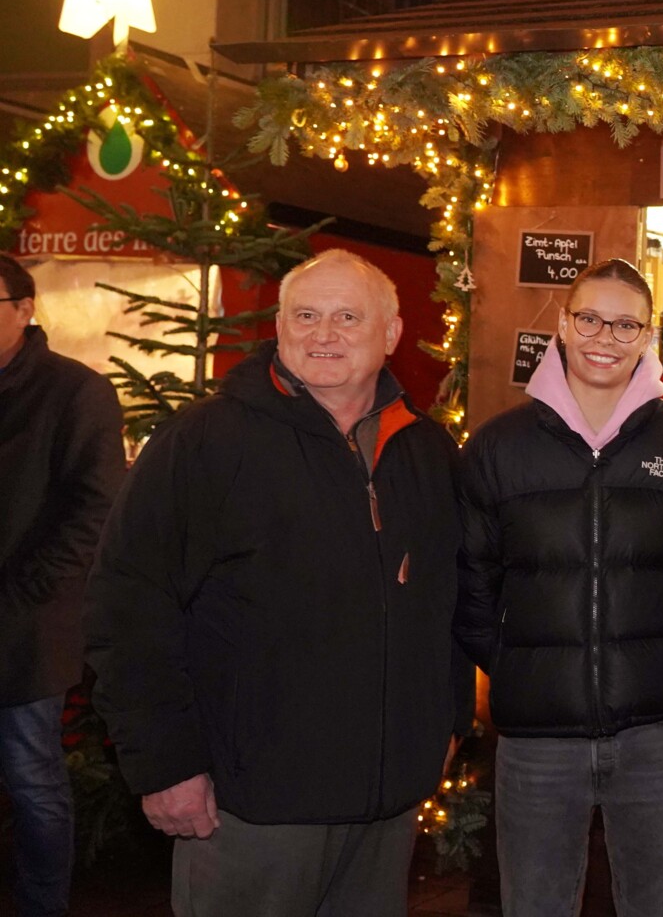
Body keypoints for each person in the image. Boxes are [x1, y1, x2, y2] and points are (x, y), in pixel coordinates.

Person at [86, 249, 472, 917]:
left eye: (347, 317)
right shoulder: (206, 441)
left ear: (391, 334)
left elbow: (447, 600)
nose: (323, 334)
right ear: (280, 328)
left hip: (384, 811)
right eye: (306, 316)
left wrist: (446, 721)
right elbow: (129, 602)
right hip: (252, 806)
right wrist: (166, 764)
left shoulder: (426, 451)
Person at [457, 258, 663, 916]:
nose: (606, 337)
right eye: (591, 319)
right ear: (564, 328)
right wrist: (516, 665)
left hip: (655, 735)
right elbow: (473, 581)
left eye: (625, 324)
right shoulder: (499, 445)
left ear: (647, 336)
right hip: (537, 741)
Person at [0, 254, 124, 917]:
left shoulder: (74, 391)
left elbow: (94, 510)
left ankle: (42, 907)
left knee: (32, 781)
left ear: (24, 310)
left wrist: (22, 593)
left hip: (25, 627)